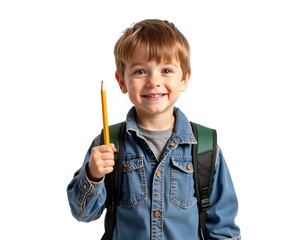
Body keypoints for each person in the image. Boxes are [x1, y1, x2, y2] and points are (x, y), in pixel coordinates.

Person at [67, 19, 241, 240]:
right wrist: (92, 175)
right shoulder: (109, 143)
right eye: (140, 71)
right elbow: (83, 213)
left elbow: (223, 227)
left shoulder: (205, 147)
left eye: (166, 70)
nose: (153, 81)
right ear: (122, 82)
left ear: (184, 79)